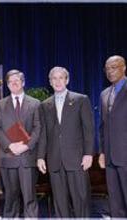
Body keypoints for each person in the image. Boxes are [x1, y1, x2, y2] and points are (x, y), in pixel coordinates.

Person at [37, 66, 94, 217]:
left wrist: (88, 154)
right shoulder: (45, 105)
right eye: (54, 78)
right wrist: (40, 157)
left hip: (77, 160)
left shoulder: (81, 99)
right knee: (60, 203)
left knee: (81, 200)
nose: (57, 81)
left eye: (61, 77)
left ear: (67, 80)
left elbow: (88, 129)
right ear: (50, 82)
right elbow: (43, 133)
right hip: (55, 160)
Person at [0, 69, 40, 217]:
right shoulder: (0, 105)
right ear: (7, 85)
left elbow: (38, 128)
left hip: (27, 157)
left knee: (29, 198)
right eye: (10, 82)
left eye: (17, 81)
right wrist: (9, 145)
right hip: (8, 157)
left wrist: (26, 146)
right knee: (10, 199)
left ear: (23, 82)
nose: (14, 83)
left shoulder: (35, 103)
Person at [98, 55, 127, 217]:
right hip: (110, 157)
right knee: (115, 202)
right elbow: (102, 127)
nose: (110, 71)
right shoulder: (104, 94)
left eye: (114, 67)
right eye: (107, 68)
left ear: (124, 67)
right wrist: (102, 152)